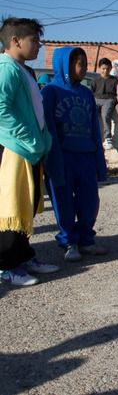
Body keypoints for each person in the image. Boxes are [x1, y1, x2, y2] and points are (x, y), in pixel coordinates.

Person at [0, 17, 60, 286]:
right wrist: (29, 139)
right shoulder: (5, 69)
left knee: (25, 204)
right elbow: (2, 111)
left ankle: (23, 256)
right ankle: (6, 266)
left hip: (29, 150)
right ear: (15, 41)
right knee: (10, 206)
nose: (38, 46)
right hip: (13, 150)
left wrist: (41, 140)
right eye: (34, 40)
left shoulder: (24, 70)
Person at [42, 46, 108, 262]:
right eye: (79, 63)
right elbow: (49, 127)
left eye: (85, 63)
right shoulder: (50, 92)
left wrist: (99, 161)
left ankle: (87, 239)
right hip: (62, 156)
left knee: (89, 200)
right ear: (66, 65)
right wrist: (53, 158)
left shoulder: (86, 93)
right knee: (63, 201)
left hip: (86, 156)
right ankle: (68, 241)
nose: (84, 68)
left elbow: (94, 129)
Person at [91, 57, 118, 150]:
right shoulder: (95, 80)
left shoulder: (114, 80)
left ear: (111, 68)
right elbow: (91, 92)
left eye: (107, 69)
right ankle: (90, 134)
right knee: (90, 114)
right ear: (100, 68)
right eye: (103, 68)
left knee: (105, 115)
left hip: (109, 100)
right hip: (96, 99)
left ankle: (108, 137)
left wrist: (114, 100)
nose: (105, 71)